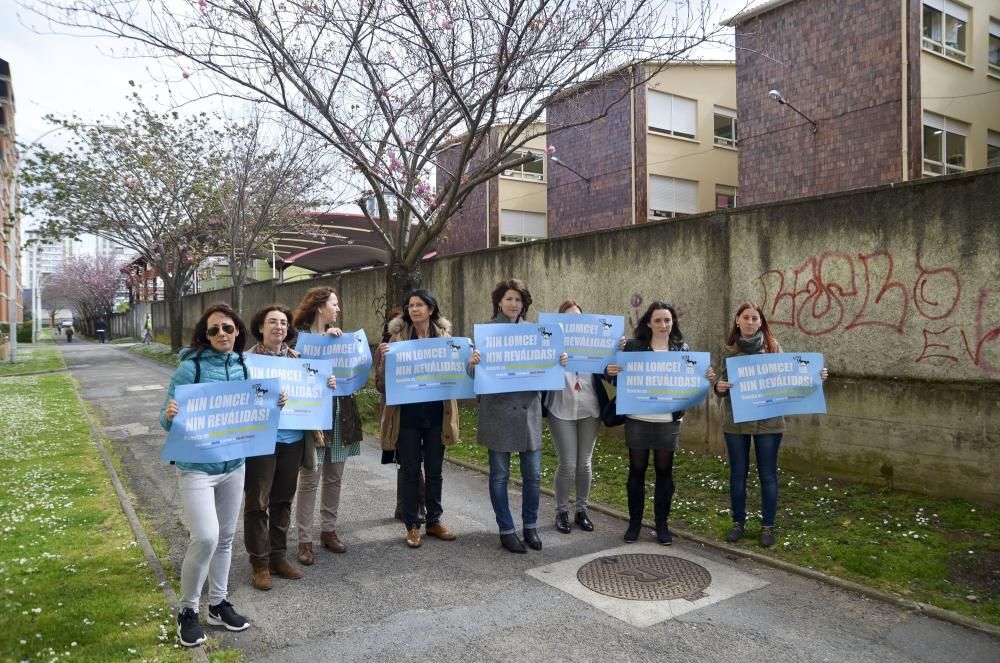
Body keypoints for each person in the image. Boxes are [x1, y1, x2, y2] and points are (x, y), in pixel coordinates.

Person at [160, 303, 262, 647]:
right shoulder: (191, 368)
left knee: (227, 537)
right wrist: (171, 414)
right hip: (197, 469)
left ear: (237, 333)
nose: (222, 334)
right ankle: (188, 610)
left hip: (233, 464)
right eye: (215, 329)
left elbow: (254, 411)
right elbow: (165, 418)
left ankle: (218, 604)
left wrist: (273, 405)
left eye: (228, 329)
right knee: (205, 537)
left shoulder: (244, 367)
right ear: (205, 335)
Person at [713, 302, 827, 548]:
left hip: (769, 422)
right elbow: (721, 386)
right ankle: (738, 523)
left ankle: (768, 526)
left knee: (768, 475)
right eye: (746, 317)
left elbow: (791, 378)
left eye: (755, 318)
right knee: (738, 474)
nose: (751, 322)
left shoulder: (774, 348)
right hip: (736, 422)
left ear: (760, 322)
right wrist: (718, 388)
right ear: (737, 321)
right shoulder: (728, 350)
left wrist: (815, 377)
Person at [468, 278, 567, 554]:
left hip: (528, 413)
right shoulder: (486, 332)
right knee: (500, 474)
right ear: (499, 301)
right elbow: (472, 376)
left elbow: (546, 370)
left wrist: (557, 361)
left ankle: (531, 527)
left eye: (518, 300)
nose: (514, 304)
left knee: (533, 475)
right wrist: (472, 363)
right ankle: (506, 529)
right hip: (497, 412)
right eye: (509, 299)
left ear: (524, 304)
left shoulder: (537, 333)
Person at [243, 304, 336, 590]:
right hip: (261, 441)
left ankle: (278, 556)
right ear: (261, 327)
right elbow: (240, 399)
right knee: (258, 502)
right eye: (272, 322)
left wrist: (326, 384)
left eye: (283, 323)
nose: (279, 327)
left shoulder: (298, 360)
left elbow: (313, 391)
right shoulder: (245, 362)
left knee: (283, 500)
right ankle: (259, 563)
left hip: (292, 440)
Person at [606, 301, 714, 545]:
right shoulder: (633, 348)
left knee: (665, 472)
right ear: (648, 323)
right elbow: (615, 379)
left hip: (668, 422)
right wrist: (611, 372)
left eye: (667, 320)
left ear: (673, 322)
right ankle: (634, 524)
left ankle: (662, 525)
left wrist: (705, 376)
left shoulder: (681, 349)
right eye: (658, 320)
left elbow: (692, 382)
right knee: (637, 471)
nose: (663, 325)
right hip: (638, 419)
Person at [376, 289, 460, 548]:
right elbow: (382, 384)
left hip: (437, 415)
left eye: (419, 305)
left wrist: (470, 360)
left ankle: (434, 521)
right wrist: (383, 360)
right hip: (407, 417)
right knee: (411, 472)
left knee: (435, 471)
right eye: (410, 305)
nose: (414, 309)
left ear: (431, 309)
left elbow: (458, 372)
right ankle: (412, 525)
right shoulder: (396, 338)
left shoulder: (446, 339)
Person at [292, 287, 363, 565]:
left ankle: (329, 531)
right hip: (312, 417)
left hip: (340, 413)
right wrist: (320, 343)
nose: (338, 309)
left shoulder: (340, 338)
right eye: (334, 304)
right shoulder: (297, 338)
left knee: (335, 477)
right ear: (321, 306)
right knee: (310, 479)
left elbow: (354, 372)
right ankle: (304, 540)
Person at [546, 299, 610, 535]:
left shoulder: (594, 343)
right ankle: (561, 511)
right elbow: (537, 371)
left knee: (584, 463)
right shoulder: (550, 345)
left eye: (578, 317)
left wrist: (617, 349)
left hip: (589, 409)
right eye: (568, 317)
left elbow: (610, 372)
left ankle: (581, 511)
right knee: (568, 463)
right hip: (560, 408)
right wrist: (554, 361)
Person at [375, 307, 427, 524]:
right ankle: (411, 506)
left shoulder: (425, 344)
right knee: (406, 461)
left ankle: (409, 506)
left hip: (424, 411)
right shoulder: (385, 349)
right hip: (397, 413)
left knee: (412, 461)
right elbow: (380, 384)